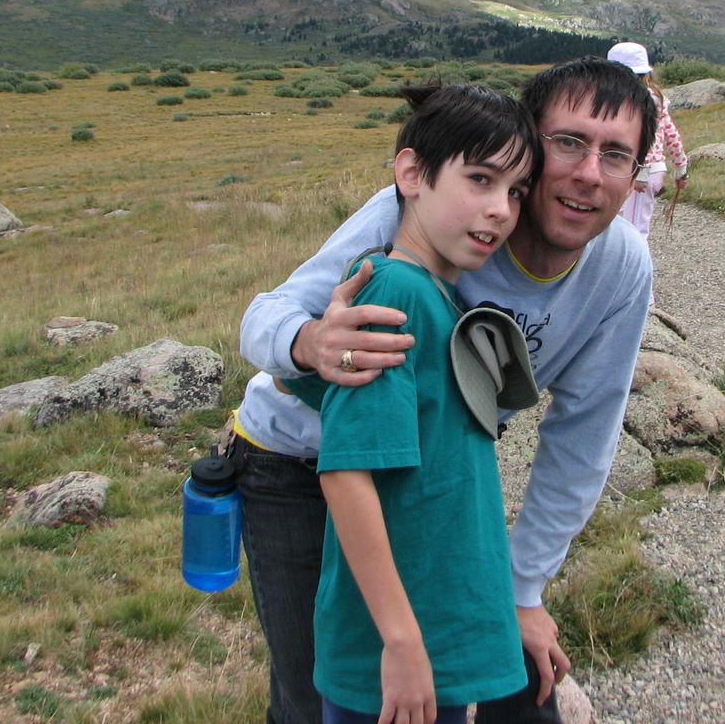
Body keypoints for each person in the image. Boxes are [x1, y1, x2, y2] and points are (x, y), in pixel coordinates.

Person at [234, 57, 657, 724]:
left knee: (467, 678)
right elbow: (262, 319)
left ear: (635, 177)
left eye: (615, 155)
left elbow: (583, 438)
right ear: (527, 138)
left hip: (419, 477)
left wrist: (521, 589)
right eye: (568, 142)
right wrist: (313, 342)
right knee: (318, 692)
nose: (586, 173)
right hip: (294, 461)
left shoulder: (617, 268)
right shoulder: (429, 213)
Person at [286, 82, 541, 723]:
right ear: (412, 174)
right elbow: (347, 473)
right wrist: (400, 642)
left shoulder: (436, 295)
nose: (501, 210)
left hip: (438, 636)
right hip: (398, 653)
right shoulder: (392, 294)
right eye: (480, 179)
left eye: (515, 191)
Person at [604, 42, 688, 246]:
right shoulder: (656, 98)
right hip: (645, 171)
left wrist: (640, 171)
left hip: (640, 172)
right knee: (630, 223)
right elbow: (671, 134)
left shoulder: (638, 100)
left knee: (631, 227)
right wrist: (681, 168)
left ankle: (632, 270)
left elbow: (644, 137)